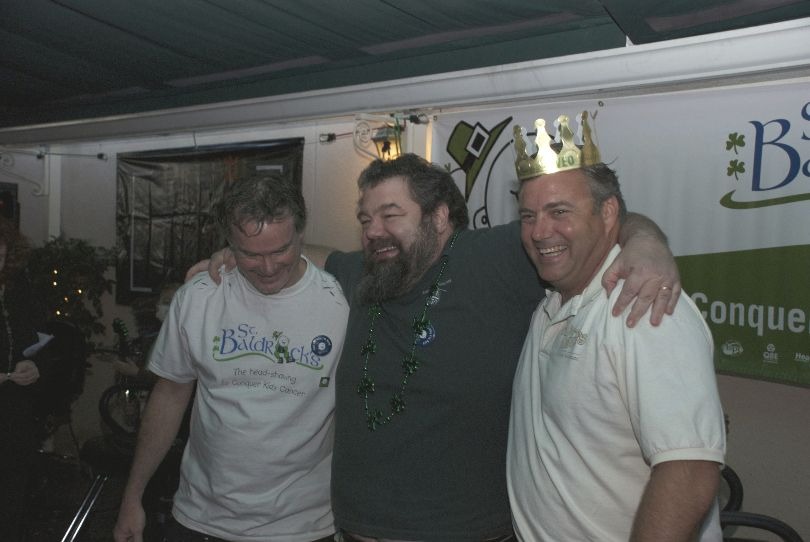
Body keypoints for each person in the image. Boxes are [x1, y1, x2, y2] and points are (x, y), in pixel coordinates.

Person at [197, 152, 681, 541]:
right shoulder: (368, 273)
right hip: (355, 526)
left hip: (464, 530)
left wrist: (646, 245)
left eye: (391, 215)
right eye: (366, 218)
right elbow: (309, 259)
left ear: (441, 216)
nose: (373, 230)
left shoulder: (492, 258)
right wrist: (243, 256)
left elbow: (604, 221)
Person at [507, 117, 724, 541]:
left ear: (608, 214)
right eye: (528, 216)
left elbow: (690, 471)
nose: (538, 232)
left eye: (560, 212)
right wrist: (645, 233)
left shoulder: (641, 305)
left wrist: (644, 238)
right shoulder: (554, 299)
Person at [114, 175, 349, 542]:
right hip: (201, 519)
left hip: (303, 526)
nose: (268, 267)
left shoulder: (340, 300)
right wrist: (133, 496)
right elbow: (169, 397)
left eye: (280, 250)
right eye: (251, 254)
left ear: (301, 235)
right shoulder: (200, 297)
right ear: (228, 245)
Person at [0, 216, 48, 541]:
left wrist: (34, 366)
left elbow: (33, 339)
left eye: (1, 257)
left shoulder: (15, 289)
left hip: (12, 414)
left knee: (10, 503)